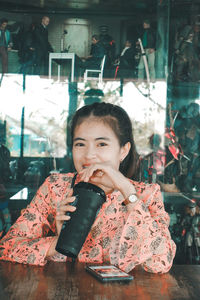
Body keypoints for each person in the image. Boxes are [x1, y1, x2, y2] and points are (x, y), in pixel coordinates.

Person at [0, 102, 176, 274]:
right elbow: (7, 246)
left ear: (123, 150)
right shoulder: (56, 188)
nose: (89, 154)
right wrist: (58, 243)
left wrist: (127, 190)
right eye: (80, 144)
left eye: (101, 144)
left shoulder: (146, 194)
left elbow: (160, 263)